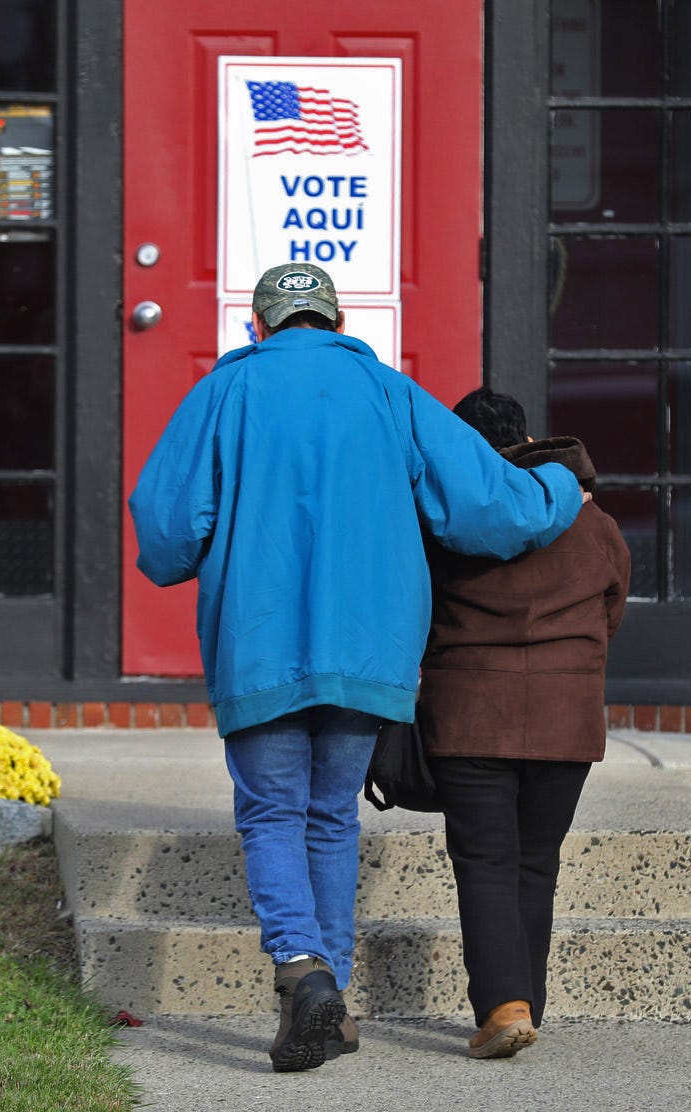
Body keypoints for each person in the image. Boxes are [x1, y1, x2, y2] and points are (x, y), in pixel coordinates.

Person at [128, 265, 586, 1073]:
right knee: (332, 814)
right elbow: (486, 507)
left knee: (272, 812)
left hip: (261, 643)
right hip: (372, 649)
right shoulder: (387, 390)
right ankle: (331, 1008)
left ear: (259, 327)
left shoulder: (223, 394)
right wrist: (559, 483)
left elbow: (166, 536)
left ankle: (303, 968)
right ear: (337, 319)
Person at [418, 386, 632, 1059]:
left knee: (485, 861)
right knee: (535, 863)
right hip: (565, 723)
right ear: (530, 434)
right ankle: (524, 1003)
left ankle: (505, 1008)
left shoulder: (449, 517)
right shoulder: (591, 519)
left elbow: (415, 612)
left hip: (470, 715)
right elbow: (612, 608)